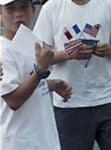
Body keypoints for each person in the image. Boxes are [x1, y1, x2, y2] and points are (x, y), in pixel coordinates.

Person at [34, 0, 111, 150]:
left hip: (108, 99)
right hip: (69, 103)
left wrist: (108, 50)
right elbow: (40, 57)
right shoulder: (51, 8)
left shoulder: (110, 4)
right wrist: (69, 54)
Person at [0, 0, 72, 150]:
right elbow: (13, 100)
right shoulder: (3, 51)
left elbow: (26, 81)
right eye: (10, 9)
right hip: (18, 141)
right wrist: (40, 70)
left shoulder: (31, 44)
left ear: (33, 10)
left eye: (24, 7)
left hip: (43, 138)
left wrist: (51, 84)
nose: (18, 14)